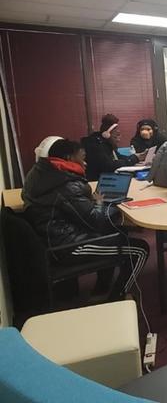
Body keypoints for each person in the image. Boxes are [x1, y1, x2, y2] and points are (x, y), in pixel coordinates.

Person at [21, 138, 149, 301]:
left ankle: (101, 288)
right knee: (140, 250)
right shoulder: (67, 185)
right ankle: (117, 298)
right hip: (68, 247)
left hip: (52, 239)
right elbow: (95, 221)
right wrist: (100, 203)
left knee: (116, 231)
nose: (86, 163)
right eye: (82, 158)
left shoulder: (40, 175)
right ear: (68, 158)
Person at [82, 114, 146, 181]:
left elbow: (118, 157)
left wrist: (137, 157)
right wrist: (134, 159)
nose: (119, 139)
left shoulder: (108, 144)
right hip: (97, 181)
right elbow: (109, 165)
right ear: (106, 134)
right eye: (116, 135)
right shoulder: (96, 145)